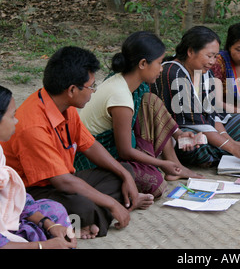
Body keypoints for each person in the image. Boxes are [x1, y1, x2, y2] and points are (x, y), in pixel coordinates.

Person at [1, 46, 153, 239]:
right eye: (91, 86)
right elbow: (63, 182)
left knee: (124, 172)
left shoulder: (65, 105)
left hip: (64, 178)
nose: (93, 92)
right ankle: (108, 211)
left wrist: (125, 175)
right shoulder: (33, 126)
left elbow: (90, 145)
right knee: (84, 207)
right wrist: (111, 203)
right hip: (33, 191)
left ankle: (98, 216)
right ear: (72, 90)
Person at [76, 31, 203, 198]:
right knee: (156, 185)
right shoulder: (120, 96)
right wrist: (161, 163)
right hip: (92, 159)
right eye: (159, 63)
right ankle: (168, 165)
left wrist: (178, 134)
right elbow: (125, 151)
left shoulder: (130, 82)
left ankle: (175, 166)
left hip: (116, 148)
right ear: (143, 64)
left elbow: (151, 107)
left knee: (150, 100)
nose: (161, 68)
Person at [151, 26, 240, 167]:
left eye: (215, 56)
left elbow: (212, 115)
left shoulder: (204, 72)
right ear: (190, 51)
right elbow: (195, 122)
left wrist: (230, 142)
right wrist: (232, 147)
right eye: (209, 56)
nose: (212, 61)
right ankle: (217, 155)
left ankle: (216, 154)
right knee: (193, 141)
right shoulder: (173, 73)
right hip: (180, 131)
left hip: (206, 129)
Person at [0, 85, 76, 249]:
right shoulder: (32, 127)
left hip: (7, 217)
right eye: (12, 116)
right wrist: (43, 246)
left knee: (54, 210)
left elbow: (16, 195)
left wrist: (49, 224)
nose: (16, 121)